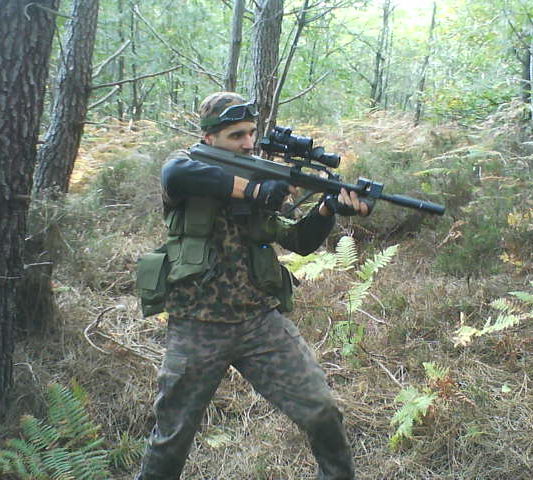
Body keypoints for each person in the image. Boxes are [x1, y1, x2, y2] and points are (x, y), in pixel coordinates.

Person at [135, 92, 372, 480]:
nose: (247, 143)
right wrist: (255, 190)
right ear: (210, 138)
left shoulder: (260, 175)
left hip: (260, 324)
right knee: (172, 436)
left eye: (250, 133)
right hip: (197, 325)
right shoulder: (186, 169)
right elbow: (175, 174)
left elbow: (299, 242)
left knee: (322, 411)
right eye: (235, 135)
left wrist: (328, 209)